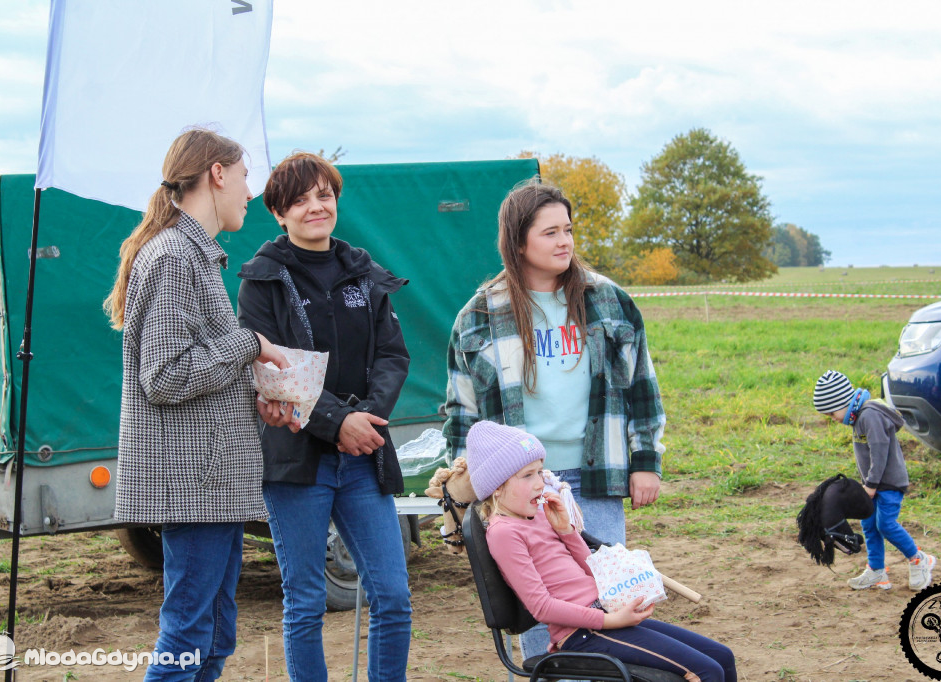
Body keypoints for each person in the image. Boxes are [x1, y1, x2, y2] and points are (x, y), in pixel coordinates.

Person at [443, 179, 665, 658]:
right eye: (550, 233)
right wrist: (464, 486)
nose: (564, 241)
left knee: (608, 606)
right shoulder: (479, 314)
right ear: (518, 240)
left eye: (568, 230)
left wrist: (645, 459)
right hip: (520, 488)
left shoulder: (609, 301)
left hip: (597, 477)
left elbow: (642, 388)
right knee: (543, 625)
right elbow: (462, 412)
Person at [105, 128, 290, 681]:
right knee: (189, 634)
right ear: (216, 174)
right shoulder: (172, 258)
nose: (248, 192)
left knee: (213, 633)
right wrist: (249, 342)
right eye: (245, 176)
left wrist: (254, 389)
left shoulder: (194, 256)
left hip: (214, 482)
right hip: (193, 485)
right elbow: (162, 377)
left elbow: (194, 371)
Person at [236, 151, 412, 681]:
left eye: (325, 195)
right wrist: (337, 424)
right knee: (306, 602)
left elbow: (392, 356)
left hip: (363, 459)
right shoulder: (261, 280)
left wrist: (366, 422)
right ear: (278, 212)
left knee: (393, 596)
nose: (316, 206)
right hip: (297, 464)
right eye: (301, 199)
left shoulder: (363, 271)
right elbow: (272, 373)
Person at [466, 421, 737, 682]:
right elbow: (541, 607)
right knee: (706, 672)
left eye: (540, 471)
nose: (540, 483)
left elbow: (593, 570)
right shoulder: (504, 532)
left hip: (604, 615)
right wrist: (609, 620)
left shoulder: (536, 514)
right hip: (583, 633)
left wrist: (566, 532)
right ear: (497, 488)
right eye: (528, 476)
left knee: (721, 657)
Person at [812, 370, 938, 590]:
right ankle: (877, 571)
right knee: (869, 524)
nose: (833, 419)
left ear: (843, 402)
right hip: (873, 483)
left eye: (832, 413)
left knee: (885, 524)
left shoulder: (870, 416)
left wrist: (870, 485)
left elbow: (879, 453)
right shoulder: (857, 418)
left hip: (888, 483)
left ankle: (919, 559)